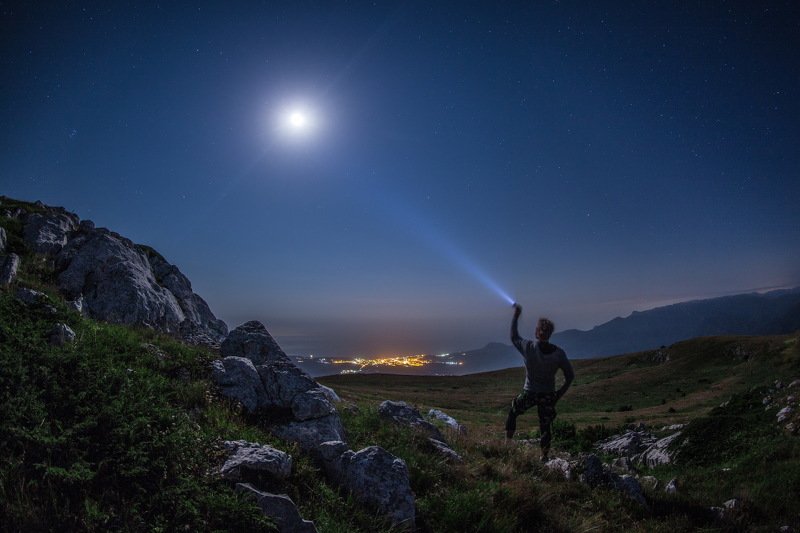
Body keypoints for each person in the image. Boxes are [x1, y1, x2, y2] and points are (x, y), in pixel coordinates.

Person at [505, 303, 574, 462]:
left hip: (530, 392)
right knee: (545, 426)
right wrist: (558, 395)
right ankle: (544, 456)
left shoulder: (528, 347)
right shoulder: (558, 354)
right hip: (548, 395)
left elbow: (514, 336)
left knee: (513, 412)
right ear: (550, 334)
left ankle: (507, 444)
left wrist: (516, 315)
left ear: (537, 333)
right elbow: (570, 376)